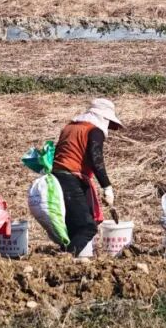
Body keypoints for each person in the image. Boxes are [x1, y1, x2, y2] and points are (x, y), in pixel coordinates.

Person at [52, 98, 122, 257]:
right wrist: (107, 188)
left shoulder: (70, 127)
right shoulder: (94, 130)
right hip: (70, 177)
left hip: (58, 176)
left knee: (73, 223)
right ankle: (66, 258)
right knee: (87, 227)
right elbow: (96, 159)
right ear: (103, 117)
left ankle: (76, 257)